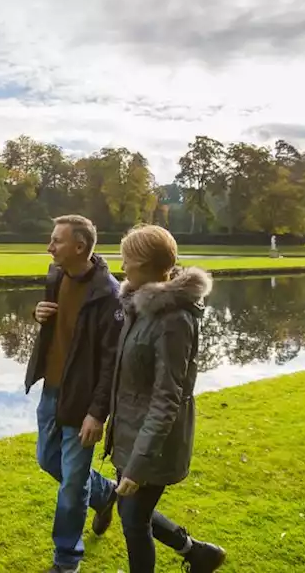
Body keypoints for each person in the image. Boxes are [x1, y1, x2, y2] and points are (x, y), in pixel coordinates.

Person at [103, 224, 226, 572]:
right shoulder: (140, 307)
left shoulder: (174, 319)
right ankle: (198, 553)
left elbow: (166, 398)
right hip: (130, 433)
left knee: (133, 519)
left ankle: (198, 553)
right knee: (131, 511)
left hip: (154, 442)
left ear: (144, 264)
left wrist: (138, 465)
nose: (122, 267)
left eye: (127, 260)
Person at [26, 215, 125, 573]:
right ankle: (104, 493)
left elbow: (111, 363)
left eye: (56, 241)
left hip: (82, 401)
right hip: (51, 392)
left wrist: (98, 413)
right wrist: (38, 315)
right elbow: (59, 330)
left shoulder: (108, 295)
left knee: (71, 487)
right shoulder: (55, 277)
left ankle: (66, 561)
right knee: (46, 460)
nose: (49, 247)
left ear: (79, 247)